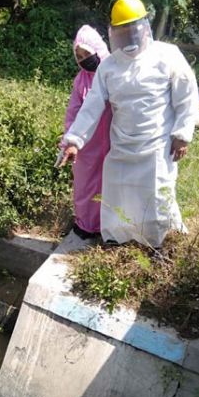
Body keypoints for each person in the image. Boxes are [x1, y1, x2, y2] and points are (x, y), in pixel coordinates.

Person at [61, 0, 199, 248]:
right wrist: (74, 140)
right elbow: (91, 107)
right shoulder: (109, 67)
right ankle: (118, 240)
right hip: (122, 146)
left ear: (145, 26)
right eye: (122, 32)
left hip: (157, 146)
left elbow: (186, 96)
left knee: (156, 196)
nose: (129, 37)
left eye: (133, 30)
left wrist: (182, 134)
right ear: (114, 33)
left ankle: (156, 244)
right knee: (119, 195)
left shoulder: (167, 56)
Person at [61, 25, 113, 240]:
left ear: (98, 50)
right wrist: (68, 139)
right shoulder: (80, 80)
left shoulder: (113, 72)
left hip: (113, 142)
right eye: (79, 56)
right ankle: (85, 225)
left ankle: (107, 226)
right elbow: (73, 111)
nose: (84, 59)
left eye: (87, 54)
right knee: (84, 184)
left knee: (110, 184)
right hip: (87, 144)